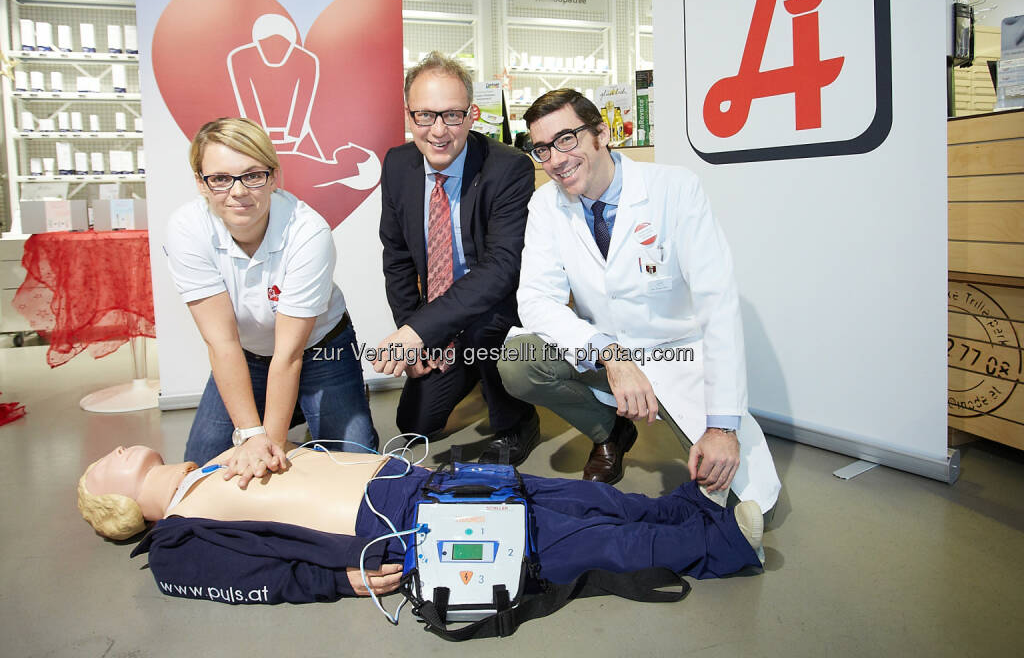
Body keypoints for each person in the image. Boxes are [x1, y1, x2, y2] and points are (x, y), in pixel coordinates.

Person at [497, 89, 780, 511]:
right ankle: (609, 431)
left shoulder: (675, 189)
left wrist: (722, 428)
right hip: (605, 352)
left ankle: (711, 434)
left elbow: (717, 306)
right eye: (542, 148)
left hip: (676, 357)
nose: (555, 159)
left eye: (566, 139)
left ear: (602, 133)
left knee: (749, 507)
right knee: (518, 362)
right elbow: (537, 300)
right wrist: (610, 354)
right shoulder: (545, 205)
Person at [77, 444, 764, 604]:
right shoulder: (175, 542)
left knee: (572, 499)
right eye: (102, 466)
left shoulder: (221, 453)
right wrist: (341, 582)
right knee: (574, 541)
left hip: (414, 484)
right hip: (401, 530)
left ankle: (689, 507)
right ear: (118, 508)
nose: (110, 452)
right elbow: (253, 577)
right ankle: (722, 544)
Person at [165, 117, 378, 488]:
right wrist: (250, 434)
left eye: (252, 175)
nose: (238, 191)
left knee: (356, 468)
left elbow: (288, 355)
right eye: (219, 178)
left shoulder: (308, 232)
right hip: (244, 354)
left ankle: (314, 416)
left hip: (320, 350)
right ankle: (291, 418)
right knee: (203, 466)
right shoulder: (187, 228)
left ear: (274, 176)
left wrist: (271, 444)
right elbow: (222, 342)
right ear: (200, 183)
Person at [375, 52, 539, 464]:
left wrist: (420, 330)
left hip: (498, 310)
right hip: (441, 312)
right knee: (413, 425)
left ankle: (517, 419)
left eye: (451, 115)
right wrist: (414, 332)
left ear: (472, 115)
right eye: (424, 116)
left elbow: (501, 268)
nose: (438, 131)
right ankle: (466, 367)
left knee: (483, 330)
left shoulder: (508, 168)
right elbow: (396, 257)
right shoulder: (397, 164)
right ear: (408, 116)